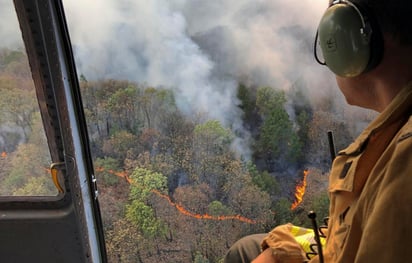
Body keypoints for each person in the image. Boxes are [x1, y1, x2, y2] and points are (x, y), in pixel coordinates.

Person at [223, 0, 412, 262]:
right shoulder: (396, 127)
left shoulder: (405, 163)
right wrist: (282, 248)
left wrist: (278, 256)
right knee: (249, 247)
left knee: (244, 254)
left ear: (349, 41)